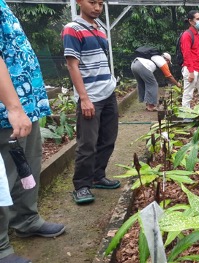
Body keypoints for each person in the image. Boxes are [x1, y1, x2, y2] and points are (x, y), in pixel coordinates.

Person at [0, 1, 66, 262]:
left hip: (26, 105)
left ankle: (27, 219)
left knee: (27, 167)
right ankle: (1, 246)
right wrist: (13, 107)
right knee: (2, 178)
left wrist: (24, 107)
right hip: (8, 108)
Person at [62, 0, 120, 205]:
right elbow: (72, 65)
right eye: (92, 2)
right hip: (91, 97)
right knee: (87, 144)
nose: (97, 7)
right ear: (79, 2)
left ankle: (98, 175)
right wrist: (84, 98)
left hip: (108, 93)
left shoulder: (99, 29)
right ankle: (82, 185)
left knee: (108, 138)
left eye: (100, 3)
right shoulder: (72, 29)